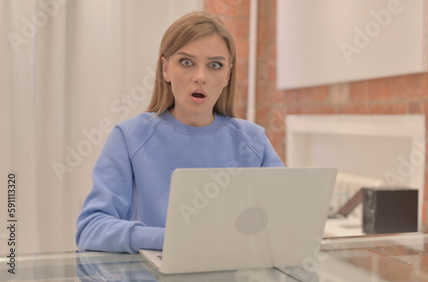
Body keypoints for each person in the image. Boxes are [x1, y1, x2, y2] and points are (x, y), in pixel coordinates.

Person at [75, 11, 284, 253]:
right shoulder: (129, 137)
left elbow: (287, 218)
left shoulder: (253, 140)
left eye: (215, 65)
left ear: (227, 75)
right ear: (165, 69)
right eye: (186, 62)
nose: (200, 77)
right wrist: (170, 239)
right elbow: (90, 229)